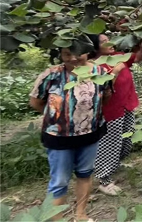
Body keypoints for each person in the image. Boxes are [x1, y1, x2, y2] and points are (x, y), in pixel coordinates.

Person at [29, 38, 111, 222]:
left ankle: (81, 215)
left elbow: (106, 97)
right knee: (59, 181)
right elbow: (36, 102)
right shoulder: (51, 75)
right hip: (59, 137)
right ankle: (56, 219)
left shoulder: (100, 72)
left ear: (87, 52)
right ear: (61, 54)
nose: (73, 58)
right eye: (67, 54)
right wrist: (60, 117)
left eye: (78, 53)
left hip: (90, 134)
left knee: (85, 174)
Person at [88, 33, 142, 196]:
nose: (110, 43)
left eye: (110, 39)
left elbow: (136, 58)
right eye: (105, 42)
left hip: (126, 105)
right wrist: (116, 70)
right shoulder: (92, 65)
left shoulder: (118, 56)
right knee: (109, 144)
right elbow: (100, 89)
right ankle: (104, 180)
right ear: (95, 46)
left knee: (126, 139)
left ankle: (114, 164)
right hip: (110, 112)